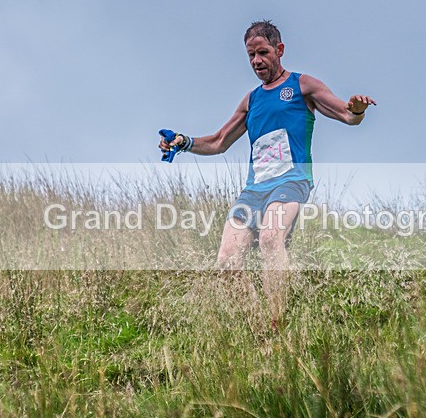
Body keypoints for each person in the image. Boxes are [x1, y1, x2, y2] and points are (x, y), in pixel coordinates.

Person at [159, 20, 375, 329]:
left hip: (291, 181)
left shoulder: (302, 86)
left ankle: (278, 322)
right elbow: (220, 141)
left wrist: (356, 109)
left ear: (279, 50)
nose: (257, 61)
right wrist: (184, 142)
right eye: (251, 55)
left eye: (263, 52)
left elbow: (345, 114)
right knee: (226, 260)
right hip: (255, 190)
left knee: (271, 238)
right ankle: (257, 327)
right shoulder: (251, 100)